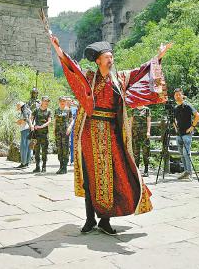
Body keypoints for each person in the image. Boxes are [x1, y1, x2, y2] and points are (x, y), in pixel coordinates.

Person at [51, 34, 171, 235]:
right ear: (98, 61)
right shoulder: (89, 77)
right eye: (107, 57)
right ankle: (90, 219)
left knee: (112, 175)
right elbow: (72, 68)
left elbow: (141, 71)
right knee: (90, 176)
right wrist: (57, 48)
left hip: (112, 133)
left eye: (112, 57)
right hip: (89, 132)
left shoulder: (120, 78)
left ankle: (104, 220)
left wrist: (158, 56)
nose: (111, 60)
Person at [173, 88, 199, 180]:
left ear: (182, 95)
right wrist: (175, 128)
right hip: (179, 134)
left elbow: (197, 115)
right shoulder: (175, 108)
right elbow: (173, 119)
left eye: (179, 94)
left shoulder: (188, 106)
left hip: (187, 134)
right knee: (181, 154)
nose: (177, 96)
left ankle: (189, 173)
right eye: (176, 95)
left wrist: (192, 127)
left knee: (186, 153)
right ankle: (186, 172)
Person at [32, 96, 53, 172]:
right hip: (36, 133)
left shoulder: (49, 111)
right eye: (45, 101)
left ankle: (44, 166)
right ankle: (37, 167)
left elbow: (49, 121)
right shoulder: (36, 110)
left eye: (48, 101)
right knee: (36, 151)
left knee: (44, 151)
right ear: (42, 101)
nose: (46, 102)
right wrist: (32, 126)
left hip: (44, 133)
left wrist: (42, 126)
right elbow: (31, 118)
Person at [54, 96, 74, 174]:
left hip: (65, 132)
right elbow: (55, 120)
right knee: (59, 148)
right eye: (61, 101)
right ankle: (61, 166)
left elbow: (71, 120)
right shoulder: (56, 110)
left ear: (66, 102)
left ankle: (64, 167)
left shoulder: (68, 110)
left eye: (64, 101)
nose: (62, 102)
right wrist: (54, 130)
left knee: (65, 149)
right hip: (58, 132)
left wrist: (69, 128)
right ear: (59, 102)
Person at [132, 105, 152, 177]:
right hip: (135, 134)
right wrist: (130, 132)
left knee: (146, 151)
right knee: (135, 151)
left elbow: (149, 121)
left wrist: (148, 131)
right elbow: (131, 121)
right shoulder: (133, 109)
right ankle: (137, 169)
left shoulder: (146, 109)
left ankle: (146, 170)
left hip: (144, 134)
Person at [15, 101, 31, 168]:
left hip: (25, 130)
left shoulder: (24, 111)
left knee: (24, 147)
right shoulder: (29, 110)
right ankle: (27, 163)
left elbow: (25, 119)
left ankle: (23, 163)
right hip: (29, 129)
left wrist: (18, 121)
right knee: (28, 147)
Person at [68, 98, 78, 165]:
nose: (68, 102)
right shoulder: (63, 109)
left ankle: (73, 160)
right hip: (64, 129)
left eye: (69, 101)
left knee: (72, 144)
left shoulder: (75, 109)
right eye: (67, 101)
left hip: (73, 129)